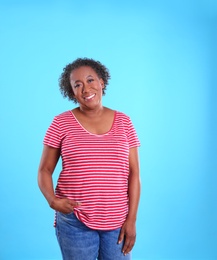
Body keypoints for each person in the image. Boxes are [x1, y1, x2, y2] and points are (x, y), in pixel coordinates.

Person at [38, 58, 141, 260]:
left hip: (118, 221)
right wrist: (52, 201)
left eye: (90, 80)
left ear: (102, 82)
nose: (86, 89)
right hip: (75, 220)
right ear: (72, 92)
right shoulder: (61, 123)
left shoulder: (124, 122)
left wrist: (131, 220)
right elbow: (44, 170)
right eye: (78, 85)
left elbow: (134, 174)